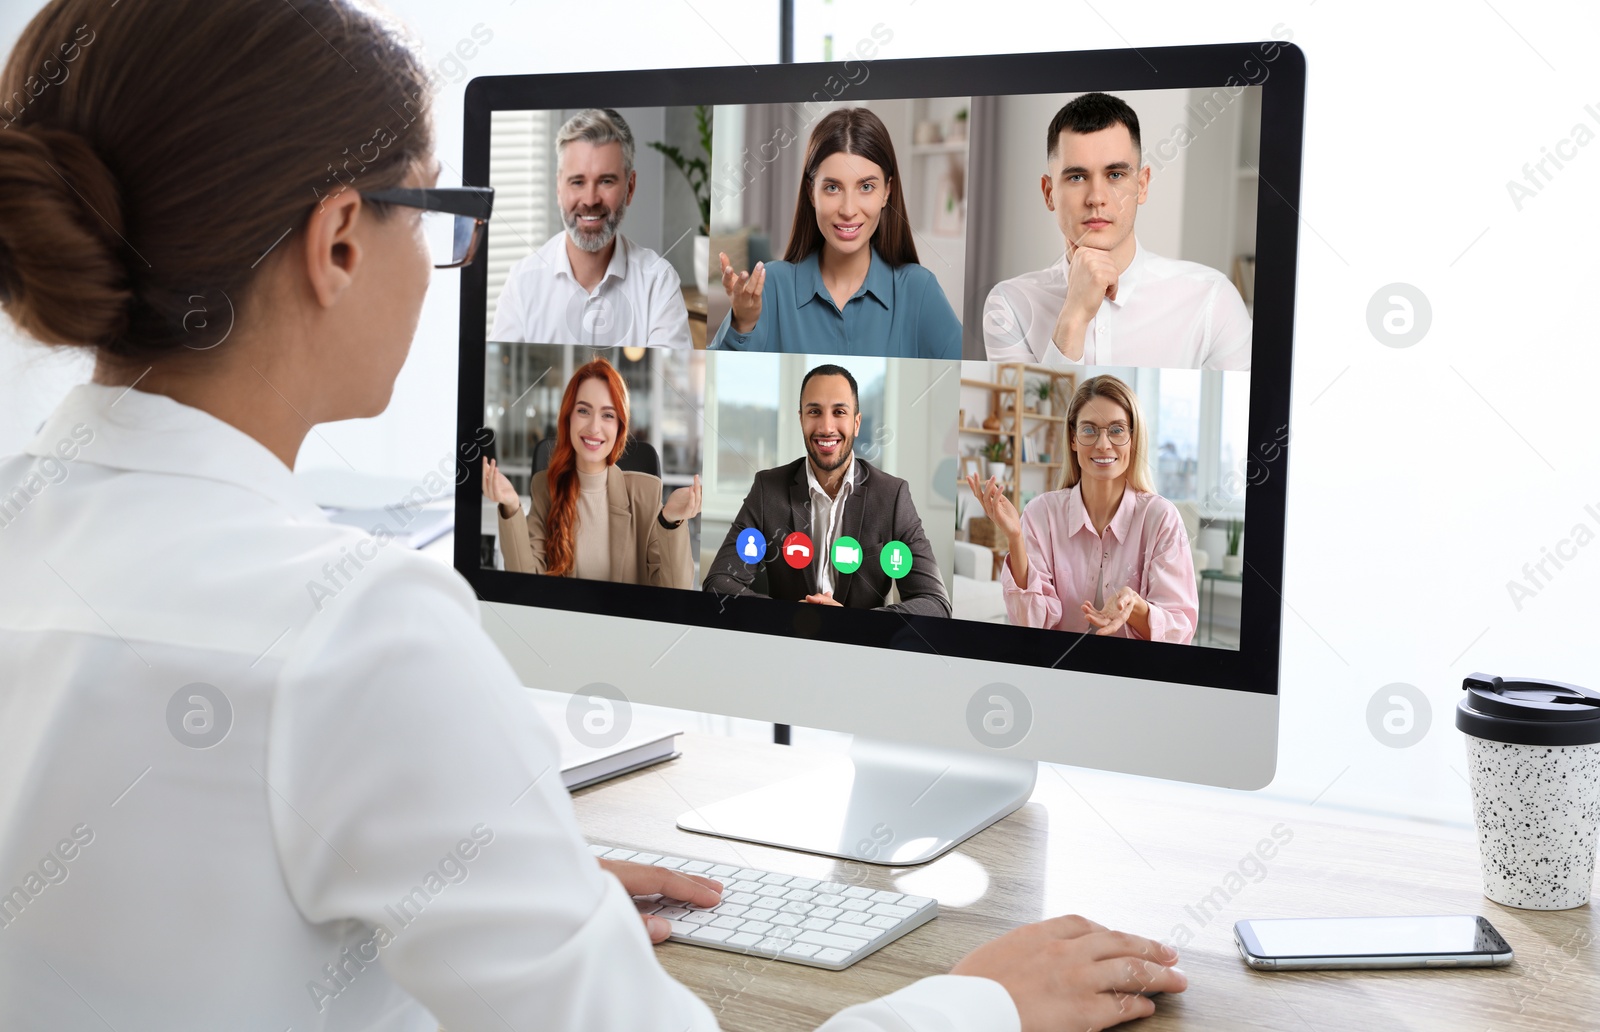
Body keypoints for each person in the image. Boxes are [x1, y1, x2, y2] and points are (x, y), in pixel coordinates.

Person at [0, 2, 1185, 1029]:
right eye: (440, 210)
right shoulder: (359, 632)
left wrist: (506, 889)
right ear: (341, 242)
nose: (446, 259)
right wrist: (984, 998)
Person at [983, 92, 1252, 370]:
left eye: (1115, 175)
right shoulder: (1008, 306)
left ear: (1142, 185)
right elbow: (1028, 413)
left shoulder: (1213, 302)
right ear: (1049, 193)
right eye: (1077, 177)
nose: (1096, 197)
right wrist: (1073, 317)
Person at [710, 107, 962, 360]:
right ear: (811, 192)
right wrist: (742, 324)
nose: (849, 210)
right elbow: (714, 385)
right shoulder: (771, 287)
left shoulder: (919, 291)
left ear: (887, 191)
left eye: (866, 187)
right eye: (832, 187)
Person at [704, 364, 950, 617]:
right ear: (801, 419)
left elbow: (935, 602)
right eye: (814, 411)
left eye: (839, 412)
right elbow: (718, 584)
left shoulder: (892, 496)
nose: (826, 427)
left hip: (860, 649)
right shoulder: (768, 490)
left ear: (856, 423)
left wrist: (850, 624)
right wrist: (785, 614)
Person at [967, 375, 1198, 642]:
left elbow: (1179, 631)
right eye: (1089, 430)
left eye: (1116, 430)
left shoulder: (1161, 518)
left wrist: (1132, 607)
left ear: (1133, 439)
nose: (1103, 444)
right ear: (1073, 439)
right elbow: (1030, 624)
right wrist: (1015, 539)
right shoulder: (1041, 513)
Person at [482, 357, 698, 587]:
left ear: (619, 427)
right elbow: (525, 582)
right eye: (584, 411)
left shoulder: (645, 492)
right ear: (568, 418)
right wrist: (511, 506)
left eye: (607, 415)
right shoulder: (546, 487)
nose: (594, 427)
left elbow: (675, 590)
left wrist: (670, 522)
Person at [491, 108, 693, 349]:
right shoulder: (521, 284)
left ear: (630, 187)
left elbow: (669, 384)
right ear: (559, 188)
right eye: (577, 182)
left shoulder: (659, 284)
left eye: (606, 181)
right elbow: (500, 381)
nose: (590, 199)